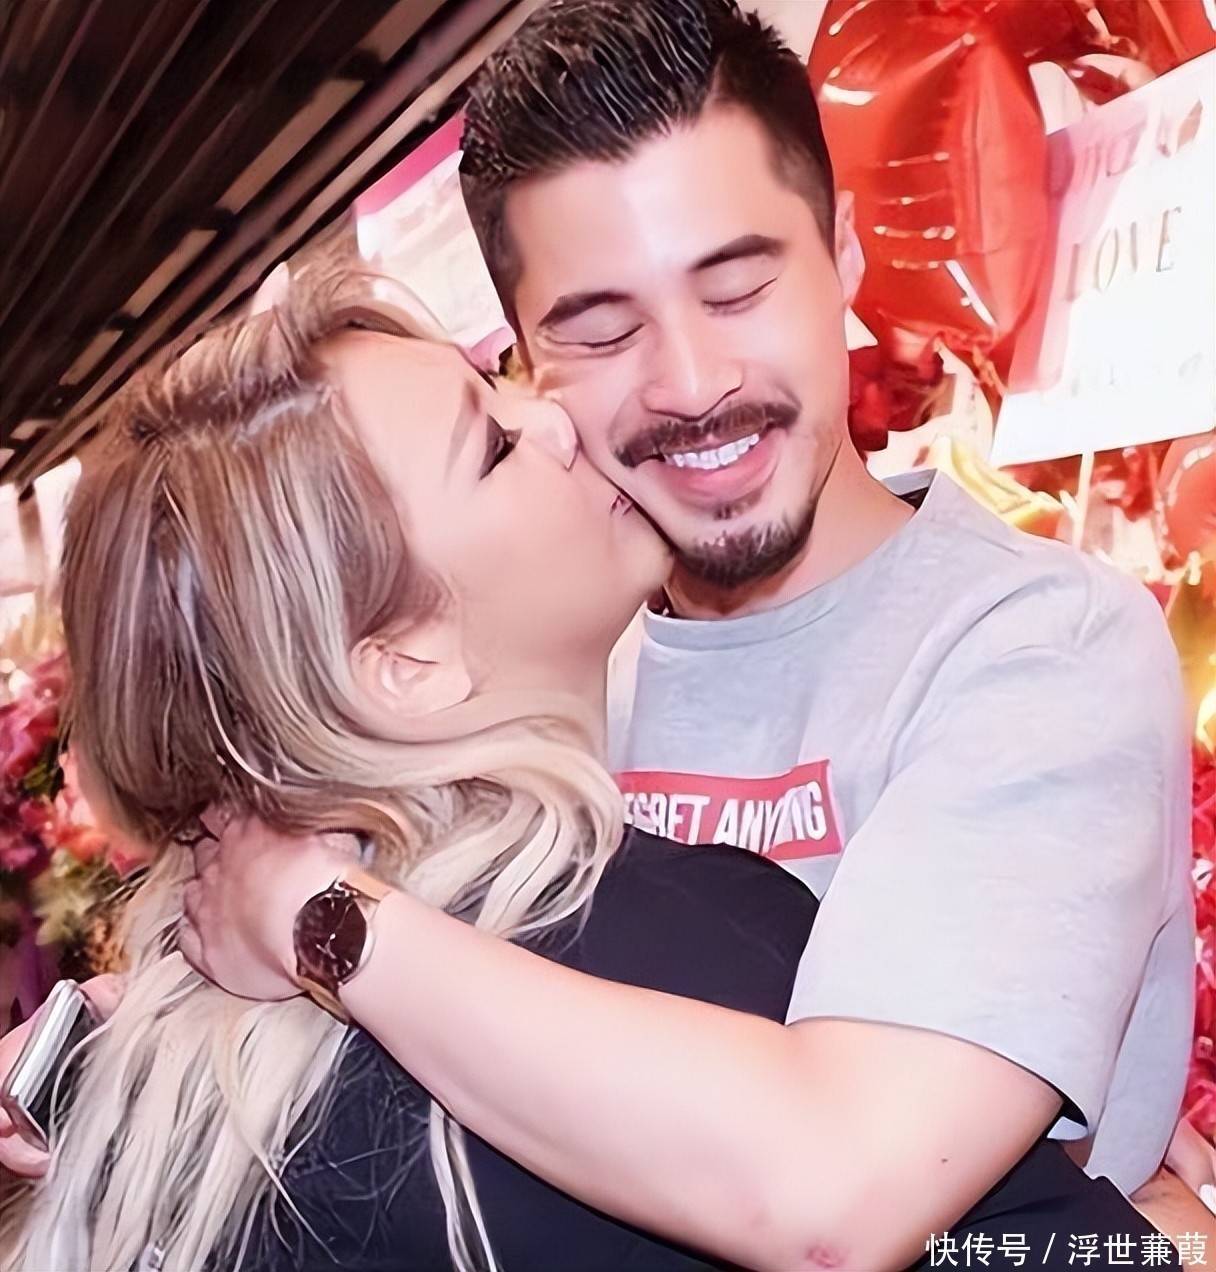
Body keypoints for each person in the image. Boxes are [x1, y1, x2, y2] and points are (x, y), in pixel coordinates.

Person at [167, 1, 1203, 1267]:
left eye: (739, 286)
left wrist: (321, 921)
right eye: (601, 331)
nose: (694, 383)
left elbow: (846, 1194)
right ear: (526, 361)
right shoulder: (536, 670)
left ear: (843, 254)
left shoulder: (1030, 649)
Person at [0, 270, 1180, 1271]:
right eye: (493, 446)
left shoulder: (151, 1073)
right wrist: (1161, 1231)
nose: (558, 419)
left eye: (505, 383)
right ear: (403, 663)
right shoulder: (689, 959)